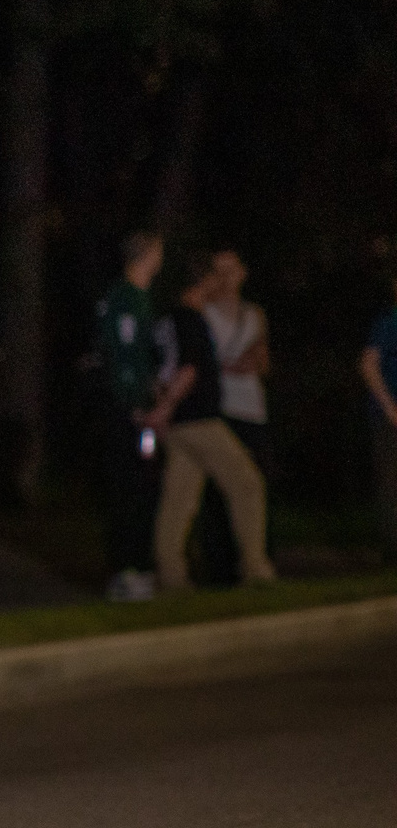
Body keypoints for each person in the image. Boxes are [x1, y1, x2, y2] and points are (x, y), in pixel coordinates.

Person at [148, 251, 278, 592]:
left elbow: (160, 368)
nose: (216, 285)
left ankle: (172, 576)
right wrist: (167, 407)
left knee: (180, 498)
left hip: (179, 423)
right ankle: (255, 568)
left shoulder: (167, 320)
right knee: (247, 483)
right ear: (201, 282)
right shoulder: (191, 319)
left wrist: (160, 406)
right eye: (212, 279)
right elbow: (189, 369)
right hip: (198, 419)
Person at [91, 231, 167, 601]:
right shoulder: (126, 298)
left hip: (137, 408)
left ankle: (137, 566)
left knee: (143, 482)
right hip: (128, 412)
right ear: (148, 255)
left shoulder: (140, 298)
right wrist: (137, 404)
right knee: (130, 486)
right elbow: (121, 354)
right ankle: (126, 572)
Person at [193, 247, 271, 584]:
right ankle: (218, 569)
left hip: (251, 408)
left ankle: (252, 559)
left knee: (253, 484)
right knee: (217, 492)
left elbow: (266, 360)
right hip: (219, 408)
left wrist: (253, 362)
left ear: (243, 272)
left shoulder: (255, 313)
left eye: (232, 269)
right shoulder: (203, 313)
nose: (227, 277)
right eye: (219, 270)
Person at [361, 267, 397, 560]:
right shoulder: (387, 324)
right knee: (390, 482)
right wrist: (389, 407)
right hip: (389, 415)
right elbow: (368, 364)